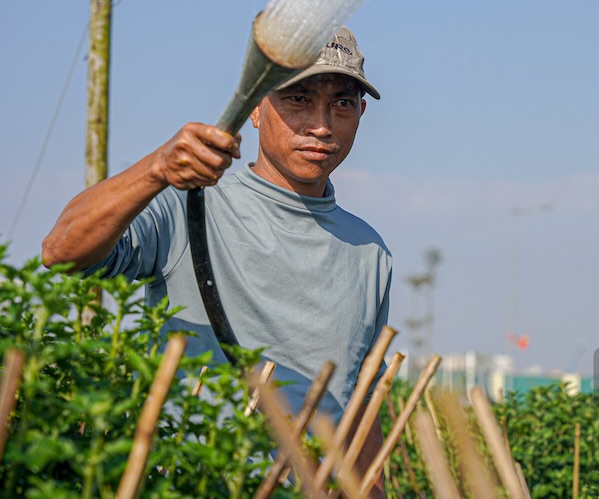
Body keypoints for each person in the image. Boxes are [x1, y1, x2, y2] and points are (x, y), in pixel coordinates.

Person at [42, 25, 391, 495]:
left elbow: (359, 402)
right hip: (193, 483)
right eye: (298, 99)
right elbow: (62, 252)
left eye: (342, 103)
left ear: (361, 112)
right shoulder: (189, 204)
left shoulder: (369, 252)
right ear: (254, 107)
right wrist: (157, 168)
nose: (322, 124)